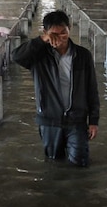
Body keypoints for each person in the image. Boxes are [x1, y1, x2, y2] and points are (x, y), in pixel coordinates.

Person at [12, 10, 100, 166]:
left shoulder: (83, 55)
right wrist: (41, 41)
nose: (60, 38)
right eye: (54, 34)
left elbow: (91, 88)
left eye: (63, 33)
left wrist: (93, 120)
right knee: (54, 163)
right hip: (49, 119)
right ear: (45, 33)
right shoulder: (38, 56)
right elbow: (16, 56)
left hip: (77, 119)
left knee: (80, 162)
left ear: (69, 29)